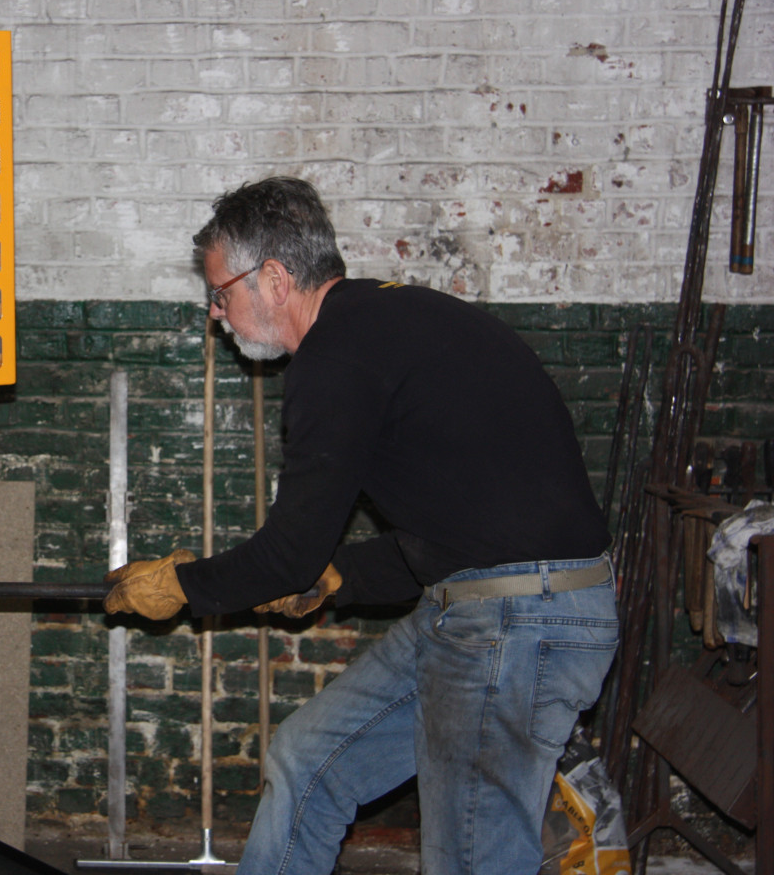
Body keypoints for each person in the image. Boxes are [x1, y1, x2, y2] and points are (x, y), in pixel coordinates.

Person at [104, 176, 618, 875]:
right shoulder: (378, 325)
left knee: (473, 859)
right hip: (486, 605)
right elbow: (462, 528)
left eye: (221, 294)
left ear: (275, 278)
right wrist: (341, 576)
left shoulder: (335, 358)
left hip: (517, 623)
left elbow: (288, 554)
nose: (217, 316)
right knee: (310, 760)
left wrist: (183, 585)